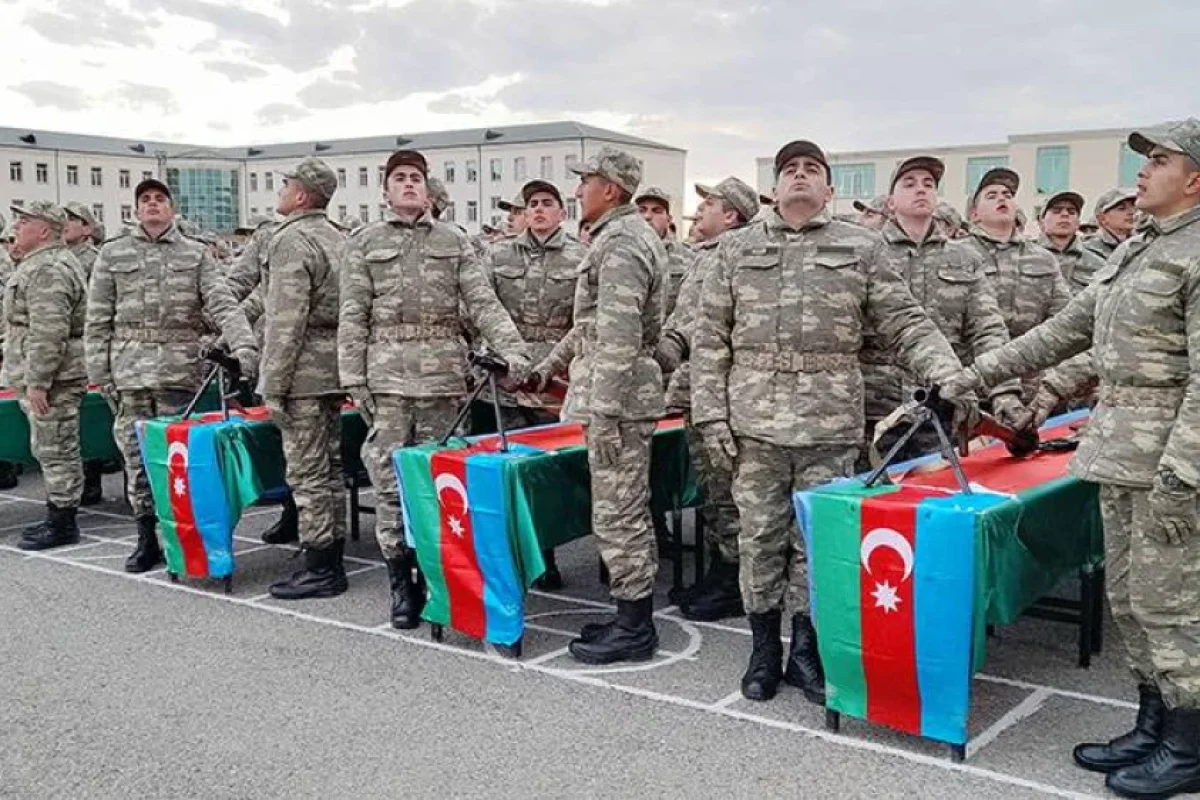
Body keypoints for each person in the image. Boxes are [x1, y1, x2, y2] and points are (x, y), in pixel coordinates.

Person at [940, 119, 1200, 800]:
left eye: (1160, 160)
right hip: (1119, 454)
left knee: (1174, 606)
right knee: (1132, 601)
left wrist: (1182, 475)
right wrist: (969, 377)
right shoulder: (1142, 247)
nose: (1142, 170)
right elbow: (1065, 333)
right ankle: (1153, 723)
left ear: (1195, 179)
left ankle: (1189, 743)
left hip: (1168, 466)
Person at [690, 139, 970, 704]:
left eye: (812, 169)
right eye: (789, 169)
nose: (800, 176)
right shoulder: (736, 248)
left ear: (830, 189)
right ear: (773, 188)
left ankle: (805, 649)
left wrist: (951, 374)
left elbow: (906, 322)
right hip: (754, 424)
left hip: (830, 421)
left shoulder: (861, 247)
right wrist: (711, 415)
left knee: (814, 542)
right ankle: (762, 649)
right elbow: (710, 337)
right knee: (759, 538)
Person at [339, 149, 530, 630]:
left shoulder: (453, 241)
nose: (408, 184)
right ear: (385, 191)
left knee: (439, 484)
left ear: (427, 190)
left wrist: (514, 350)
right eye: (399, 178)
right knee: (388, 482)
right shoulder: (365, 242)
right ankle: (400, 583)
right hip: (387, 383)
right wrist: (353, 378)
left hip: (443, 383)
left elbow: (483, 303)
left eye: (416, 178)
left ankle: (436, 576)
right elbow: (353, 315)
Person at [531, 147, 667, 664]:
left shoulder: (623, 243)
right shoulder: (617, 237)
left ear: (609, 189)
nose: (577, 190)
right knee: (623, 509)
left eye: (585, 181)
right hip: (619, 395)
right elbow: (589, 327)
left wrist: (605, 412)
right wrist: (549, 365)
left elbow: (619, 335)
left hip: (620, 401)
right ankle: (629, 614)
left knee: (619, 514)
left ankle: (635, 627)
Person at [86, 178, 258, 573]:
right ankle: (145, 537)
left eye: (160, 199)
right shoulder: (113, 253)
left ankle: (177, 540)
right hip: (129, 373)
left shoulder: (194, 254)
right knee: (136, 459)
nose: (152, 205)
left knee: (174, 461)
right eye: (145, 199)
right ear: (136, 209)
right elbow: (97, 319)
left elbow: (222, 304)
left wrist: (244, 346)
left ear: (172, 208)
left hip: (178, 374)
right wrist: (100, 373)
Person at [861, 156, 1018, 461]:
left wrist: (1004, 393)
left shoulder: (964, 258)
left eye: (928, 184)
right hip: (877, 409)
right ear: (890, 202)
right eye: (909, 184)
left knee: (938, 486)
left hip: (944, 406)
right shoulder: (867, 252)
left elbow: (987, 329)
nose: (920, 189)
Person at [656, 176, 759, 622]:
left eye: (709, 203)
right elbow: (684, 320)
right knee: (714, 492)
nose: (700, 210)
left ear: (731, 215)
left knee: (729, 492)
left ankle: (734, 579)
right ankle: (722, 570)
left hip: (724, 394)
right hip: (698, 389)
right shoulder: (706, 254)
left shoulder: (740, 257)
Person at [483, 178, 587, 590]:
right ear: (524, 213)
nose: (539, 210)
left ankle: (547, 556)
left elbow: (583, 320)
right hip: (507, 376)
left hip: (555, 378)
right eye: (532, 204)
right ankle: (513, 556)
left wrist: (556, 364)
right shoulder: (498, 255)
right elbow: (479, 308)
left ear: (562, 211)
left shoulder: (580, 257)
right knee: (507, 469)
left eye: (547, 203)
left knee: (547, 474)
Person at [253, 158, 349, 600]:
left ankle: (321, 565)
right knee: (331, 468)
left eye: (286, 184)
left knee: (308, 472)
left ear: (302, 196)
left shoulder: (291, 240)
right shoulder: (338, 237)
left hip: (303, 373)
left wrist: (272, 383)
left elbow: (285, 321)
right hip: (333, 367)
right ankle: (330, 552)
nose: (281, 191)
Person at [2, 202, 87, 550]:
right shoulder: (38, 263)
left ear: (44, 230)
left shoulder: (49, 268)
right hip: (48, 374)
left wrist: (38, 381)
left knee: (57, 448)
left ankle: (63, 522)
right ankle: (57, 514)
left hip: (55, 378)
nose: (16, 227)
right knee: (50, 447)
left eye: (24, 221)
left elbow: (49, 331)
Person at [961, 167, 1071, 399]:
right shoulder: (957, 255)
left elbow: (1063, 320)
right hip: (972, 382)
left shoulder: (1043, 258)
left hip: (1032, 384)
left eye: (1007, 195)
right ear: (974, 214)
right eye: (991, 196)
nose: (1002, 199)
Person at [62, 201, 106, 505]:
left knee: (91, 416)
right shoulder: (63, 258)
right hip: (71, 348)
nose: (66, 223)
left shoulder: (91, 259)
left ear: (87, 228)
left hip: (86, 345)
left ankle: (93, 478)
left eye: (73, 219)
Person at [635, 186, 694, 317]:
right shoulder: (620, 252)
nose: (647, 216)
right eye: (642, 210)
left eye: (657, 211)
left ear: (668, 219)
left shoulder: (687, 257)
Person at [1037, 191, 1107, 294]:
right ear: (1041, 220)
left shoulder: (1098, 264)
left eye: (1072, 212)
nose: (1065, 214)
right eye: (1056, 211)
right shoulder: (1024, 255)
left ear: (1078, 222)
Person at [1083, 188, 1139, 260]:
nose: (1131, 212)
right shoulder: (1089, 249)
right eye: (1121, 208)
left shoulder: (1140, 244)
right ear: (1102, 218)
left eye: (1133, 207)